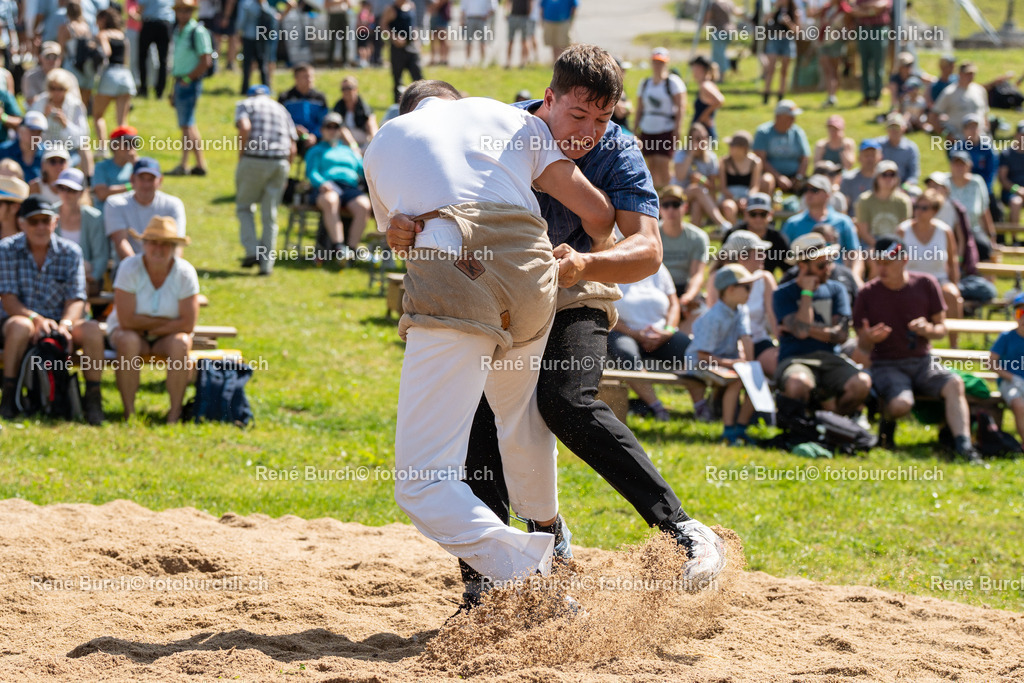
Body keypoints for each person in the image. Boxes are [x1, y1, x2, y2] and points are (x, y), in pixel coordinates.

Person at [386, 48, 727, 608]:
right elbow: (435, 205)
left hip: (575, 288)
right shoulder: (500, 127)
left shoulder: (619, 149)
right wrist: (403, 228)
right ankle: (489, 578)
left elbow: (646, 251)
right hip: (493, 289)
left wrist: (586, 263)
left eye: (603, 119)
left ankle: (680, 528)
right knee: (475, 414)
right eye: (578, 116)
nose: (591, 132)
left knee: (565, 398)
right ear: (548, 99)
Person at [365, 80, 617, 588]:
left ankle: (528, 571)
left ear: (409, 110)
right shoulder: (507, 117)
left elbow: (399, 235)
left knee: (421, 485)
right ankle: (549, 528)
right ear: (458, 102)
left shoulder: (386, 139)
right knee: (520, 420)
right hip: (531, 272)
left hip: (455, 275)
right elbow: (597, 212)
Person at [853, 235, 981, 462]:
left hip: (923, 360)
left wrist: (928, 330)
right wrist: (870, 337)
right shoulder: (867, 293)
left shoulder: (926, 283)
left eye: (887, 262)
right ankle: (886, 425)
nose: (881, 268)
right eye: (878, 262)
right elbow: (862, 346)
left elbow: (941, 329)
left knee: (954, 383)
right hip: (886, 363)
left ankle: (964, 446)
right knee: (903, 404)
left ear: (904, 260)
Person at [0, 196, 105, 425]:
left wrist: (65, 325)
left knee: (93, 330)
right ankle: (8, 396)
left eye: (45, 220)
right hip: (19, 319)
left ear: (55, 222)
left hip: (61, 322)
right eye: (34, 221)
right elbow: (8, 299)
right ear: (22, 223)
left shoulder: (71, 252)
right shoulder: (6, 249)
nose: (40, 227)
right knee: (21, 326)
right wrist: (35, 319)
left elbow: (77, 298)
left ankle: (93, 399)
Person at [107, 216, 199, 423]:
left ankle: (175, 413)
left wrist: (147, 326)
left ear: (174, 247)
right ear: (144, 244)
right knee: (128, 340)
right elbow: (126, 321)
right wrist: (166, 324)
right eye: (153, 243)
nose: (159, 249)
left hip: (165, 337)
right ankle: (129, 412)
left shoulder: (186, 273)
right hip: (131, 334)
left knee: (181, 343)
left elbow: (187, 324)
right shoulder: (128, 267)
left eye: (165, 244)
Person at [773, 232, 871, 416]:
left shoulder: (837, 289)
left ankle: (834, 425)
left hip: (831, 358)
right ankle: (801, 427)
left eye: (829, 262)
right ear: (802, 266)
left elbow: (841, 335)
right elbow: (802, 333)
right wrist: (807, 294)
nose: (829, 268)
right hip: (794, 359)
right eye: (821, 265)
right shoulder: (782, 294)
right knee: (797, 384)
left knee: (862, 383)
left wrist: (802, 328)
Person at [607, 262, 692, 421]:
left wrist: (668, 331)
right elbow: (607, 311)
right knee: (627, 356)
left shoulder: (659, 268)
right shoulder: (612, 268)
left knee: (692, 352)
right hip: (624, 332)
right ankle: (658, 408)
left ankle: (704, 407)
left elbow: (674, 304)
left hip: (662, 334)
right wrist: (636, 334)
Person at [684, 264, 757, 444]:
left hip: (724, 362)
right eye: (747, 287)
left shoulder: (741, 310)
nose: (751, 291)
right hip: (699, 363)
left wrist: (750, 365)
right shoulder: (713, 317)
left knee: (754, 379)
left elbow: (746, 338)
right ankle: (729, 431)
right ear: (731, 289)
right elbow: (702, 356)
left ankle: (741, 427)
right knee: (735, 381)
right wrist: (732, 364)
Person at [235, 84, 296, 276]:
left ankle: (252, 251)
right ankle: (266, 265)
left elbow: (245, 127)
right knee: (270, 215)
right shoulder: (281, 109)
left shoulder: (245, 104)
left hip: (254, 159)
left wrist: (242, 154)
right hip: (280, 163)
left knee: (245, 207)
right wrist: (287, 168)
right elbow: (292, 145)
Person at [709, 230, 779, 376]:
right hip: (725, 346)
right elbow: (715, 318)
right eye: (759, 252)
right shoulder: (717, 278)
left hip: (758, 341)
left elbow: (774, 317)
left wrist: (785, 347)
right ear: (742, 257)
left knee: (780, 367)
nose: (764, 256)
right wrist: (740, 349)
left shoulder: (765, 278)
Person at [304, 112, 371, 258]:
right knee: (331, 200)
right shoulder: (316, 150)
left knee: (364, 205)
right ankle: (338, 246)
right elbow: (311, 172)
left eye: (336, 127)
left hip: (350, 187)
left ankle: (352, 249)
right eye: (329, 127)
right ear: (322, 130)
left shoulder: (349, 151)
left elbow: (363, 170)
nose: (332, 130)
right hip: (327, 186)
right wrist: (321, 183)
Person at [897, 189, 962, 333]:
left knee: (952, 294)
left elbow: (952, 262)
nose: (919, 211)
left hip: (939, 281)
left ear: (935, 210)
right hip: (910, 282)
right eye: (917, 207)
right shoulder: (903, 230)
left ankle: (954, 344)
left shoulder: (945, 231)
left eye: (924, 208)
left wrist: (954, 284)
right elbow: (894, 261)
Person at [105, 157, 188, 263]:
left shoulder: (174, 204)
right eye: (142, 178)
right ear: (132, 179)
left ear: (160, 180)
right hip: (128, 267)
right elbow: (121, 242)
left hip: (164, 266)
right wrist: (139, 270)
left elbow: (177, 245)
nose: (146, 184)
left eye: (151, 179)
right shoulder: (115, 203)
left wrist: (169, 271)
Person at [167, 0, 213, 177]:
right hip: (180, 81)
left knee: (186, 125)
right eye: (180, 10)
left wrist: (188, 79)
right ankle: (200, 163)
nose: (183, 14)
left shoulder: (197, 31)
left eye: (187, 10)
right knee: (189, 125)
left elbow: (205, 61)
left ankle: (184, 164)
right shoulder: (178, 31)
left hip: (189, 82)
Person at [782, 174, 861, 277]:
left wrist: (854, 277)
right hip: (804, 278)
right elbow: (782, 256)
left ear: (827, 195)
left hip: (836, 277)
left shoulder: (843, 221)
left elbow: (855, 253)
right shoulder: (792, 223)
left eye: (814, 190)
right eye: (806, 189)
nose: (809, 193)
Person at [657, 185, 708, 334]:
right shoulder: (653, 234)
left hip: (684, 288)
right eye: (666, 205)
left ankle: (676, 342)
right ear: (660, 209)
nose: (670, 210)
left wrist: (688, 297)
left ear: (685, 207)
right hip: (658, 288)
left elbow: (697, 274)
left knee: (702, 311)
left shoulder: (698, 237)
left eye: (675, 204)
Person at [636, 47, 685, 190]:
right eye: (656, 62)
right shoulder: (645, 83)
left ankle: (668, 196)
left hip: (665, 128)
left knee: (663, 164)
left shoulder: (673, 82)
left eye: (661, 63)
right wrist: (635, 128)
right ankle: (655, 196)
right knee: (650, 165)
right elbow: (640, 108)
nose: (658, 66)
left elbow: (681, 107)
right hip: (647, 127)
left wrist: (677, 129)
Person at [55, 168, 109, 296]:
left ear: (82, 192)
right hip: (55, 274)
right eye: (62, 188)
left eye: (72, 190)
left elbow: (101, 256)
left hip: (86, 277)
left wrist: (93, 276)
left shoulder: (94, 218)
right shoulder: (49, 215)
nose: (66, 193)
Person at [29, 69, 91, 173]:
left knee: (85, 148)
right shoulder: (40, 102)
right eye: (52, 88)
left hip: (68, 150)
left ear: (66, 89)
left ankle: (89, 182)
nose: (56, 92)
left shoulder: (75, 105)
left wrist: (66, 124)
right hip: (42, 149)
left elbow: (83, 137)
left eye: (60, 89)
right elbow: (29, 129)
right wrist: (43, 117)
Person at [675, 122, 730, 230]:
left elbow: (713, 187)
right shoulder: (681, 154)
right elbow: (679, 177)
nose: (702, 141)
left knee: (697, 204)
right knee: (696, 190)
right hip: (679, 196)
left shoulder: (711, 158)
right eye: (698, 139)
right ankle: (722, 224)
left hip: (699, 199)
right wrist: (691, 154)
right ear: (690, 141)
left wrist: (702, 180)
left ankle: (692, 240)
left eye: (704, 137)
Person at [93, 8, 137, 144]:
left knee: (98, 115)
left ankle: (102, 148)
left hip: (110, 75)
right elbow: (126, 59)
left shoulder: (103, 34)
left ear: (103, 20)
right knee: (122, 121)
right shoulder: (123, 35)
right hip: (125, 75)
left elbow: (106, 52)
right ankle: (124, 148)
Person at [723, 192, 790, 275]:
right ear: (746, 214)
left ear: (770, 214)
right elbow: (723, 265)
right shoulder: (733, 234)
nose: (758, 219)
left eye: (763, 214)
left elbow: (788, 270)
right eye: (753, 214)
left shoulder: (778, 238)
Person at [752, 99, 810, 195]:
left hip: (794, 176)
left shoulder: (797, 132)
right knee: (766, 180)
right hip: (771, 175)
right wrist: (778, 177)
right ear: (778, 117)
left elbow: (805, 158)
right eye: (790, 117)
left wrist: (799, 177)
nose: (793, 120)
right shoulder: (763, 132)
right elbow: (760, 159)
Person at [947, 150, 996, 263]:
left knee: (985, 248)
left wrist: (991, 236)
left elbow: (984, 210)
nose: (959, 167)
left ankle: (986, 280)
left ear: (969, 165)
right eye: (956, 164)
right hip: (950, 232)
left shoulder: (977, 182)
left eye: (962, 164)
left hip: (972, 229)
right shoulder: (943, 182)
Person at [990, 294, 1024, 445]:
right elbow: (991, 363)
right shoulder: (1006, 337)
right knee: (1019, 405)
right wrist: (1012, 378)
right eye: (1020, 313)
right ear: (1014, 316)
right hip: (1009, 382)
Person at [855, 159, 912, 249]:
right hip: (872, 244)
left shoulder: (903, 201)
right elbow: (864, 232)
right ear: (876, 177)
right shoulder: (864, 200)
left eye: (892, 175)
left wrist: (892, 248)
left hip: (896, 244)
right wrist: (880, 247)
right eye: (884, 175)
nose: (888, 178)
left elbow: (904, 230)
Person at [278, 63, 329, 153]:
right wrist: (293, 129)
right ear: (296, 78)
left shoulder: (320, 98)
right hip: (291, 136)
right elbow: (280, 120)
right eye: (305, 77)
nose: (310, 80)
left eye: (311, 76)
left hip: (315, 137)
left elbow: (324, 120)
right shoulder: (285, 98)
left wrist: (314, 135)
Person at [848, 0, 890, 107]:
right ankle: (866, 96)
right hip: (863, 30)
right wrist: (870, 10)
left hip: (878, 30)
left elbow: (880, 6)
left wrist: (864, 9)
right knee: (864, 65)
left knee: (878, 65)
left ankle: (877, 96)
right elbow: (853, 10)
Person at [931, 62, 989, 139]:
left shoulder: (980, 90)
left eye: (972, 74)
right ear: (960, 74)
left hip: (980, 137)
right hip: (959, 138)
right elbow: (933, 116)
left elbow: (985, 113)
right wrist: (946, 135)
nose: (970, 76)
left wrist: (987, 130)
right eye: (967, 74)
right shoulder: (949, 92)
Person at [58, 1, 99, 110]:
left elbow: (61, 50)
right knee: (83, 105)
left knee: (70, 101)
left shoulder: (66, 27)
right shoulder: (86, 27)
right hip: (87, 67)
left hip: (72, 66)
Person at [381, 0, 423, 103]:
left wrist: (417, 39)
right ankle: (398, 105)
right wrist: (394, 37)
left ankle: (421, 100)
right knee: (398, 79)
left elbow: (413, 25)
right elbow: (383, 26)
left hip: (412, 47)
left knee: (418, 76)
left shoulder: (411, 5)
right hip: (398, 49)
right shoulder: (391, 9)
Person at [719, 130, 762, 224]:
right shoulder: (724, 162)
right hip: (729, 197)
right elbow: (723, 188)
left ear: (743, 148)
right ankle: (735, 231)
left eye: (732, 145)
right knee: (729, 207)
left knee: (752, 210)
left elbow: (755, 186)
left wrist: (747, 199)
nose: (730, 148)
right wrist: (736, 199)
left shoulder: (755, 162)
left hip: (747, 198)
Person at [93, 126, 141, 211]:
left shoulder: (139, 167)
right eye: (127, 144)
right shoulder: (101, 167)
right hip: (106, 214)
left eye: (135, 144)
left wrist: (137, 166)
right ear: (114, 145)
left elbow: (151, 189)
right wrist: (131, 187)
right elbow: (101, 194)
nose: (131, 148)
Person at [134, 0, 176, 99]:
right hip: (165, 25)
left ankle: (144, 88)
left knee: (142, 57)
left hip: (150, 23)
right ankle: (160, 91)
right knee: (163, 60)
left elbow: (140, 9)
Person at [762, 0, 799, 104]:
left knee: (784, 70)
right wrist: (775, 9)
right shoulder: (775, 8)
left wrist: (788, 22)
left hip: (787, 40)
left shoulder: (794, 11)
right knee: (771, 69)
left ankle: (781, 95)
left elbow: (797, 30)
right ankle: (766, 94)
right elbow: (765, 20)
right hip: (774, 39)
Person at [875, 112, 920, 188]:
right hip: (879, 186)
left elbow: (913, 175)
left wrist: (904, 187)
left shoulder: (910, 148)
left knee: (916, 192)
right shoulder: (877, 145)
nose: (894, 130)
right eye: (891, 127)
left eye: (897, 127)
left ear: (903, 128)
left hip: (902, 186)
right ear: (886, 129)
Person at [332, 76, 378, 151]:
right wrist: (353, 146)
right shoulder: (339, 107)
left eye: (349, 88)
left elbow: (371, 122)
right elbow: (342, 128)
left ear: (356, 89)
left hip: (361, 135)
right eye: (343, 89)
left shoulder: (363, 106)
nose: (346, 92)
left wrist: (375, 141)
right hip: (344, 138)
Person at [839, 139, 882, 214]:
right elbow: (843, 209)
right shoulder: (848, 179)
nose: (870, 159)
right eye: (866, 155)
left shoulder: (886, 178)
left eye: (873, 155)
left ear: (880, 157)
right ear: (859, 157)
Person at [689, 56, 723, 141]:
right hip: (703, 131)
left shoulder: (705, 86)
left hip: (703, 133)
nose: (692, 71)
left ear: (700, 68)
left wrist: (703, 116)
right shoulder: (707, 84)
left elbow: (719, 100)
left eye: (694, 67)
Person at [998, 121, 1024, 225]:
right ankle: (1014, 239)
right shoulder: (1007, 154)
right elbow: (1003, 179)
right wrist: (1017, 190)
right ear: (1016, 135)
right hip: (1011, 192)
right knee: (1015, 203)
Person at [461, 0, 494, 66]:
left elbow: (492, 9)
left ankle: (483, 61)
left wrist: (487, 16)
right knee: (468, 42)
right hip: (469, 19)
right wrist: (462, 20)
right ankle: (468, 60)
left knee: (483, 42)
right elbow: (463, 9)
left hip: (482, 19)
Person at [506, 0, 531, 68]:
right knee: (510, 40)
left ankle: (523, 62)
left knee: (524, 41)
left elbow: (530, 3)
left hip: (524, 17)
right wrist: (507, 13)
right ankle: (508, 62)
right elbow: (508, 2)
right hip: (513, 16)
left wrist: (528, 14)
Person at [427, 0, 450, 66]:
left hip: (442, 16)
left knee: (443, 40)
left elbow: (440, 2)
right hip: (434, 16)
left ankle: (444, 60)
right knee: (433, 39)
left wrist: (434, 6)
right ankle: (433, 59)